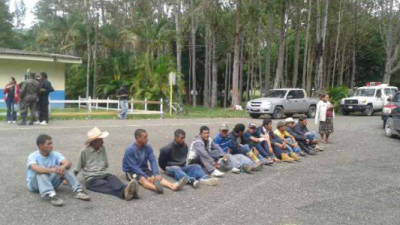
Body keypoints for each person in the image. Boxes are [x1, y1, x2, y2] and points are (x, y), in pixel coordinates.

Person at [75, 127, 139, 200]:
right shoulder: (84, 151)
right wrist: (69, 179)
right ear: (94, 141)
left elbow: (105, 164)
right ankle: (125, 193)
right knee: (106, 185)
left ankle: (127, 189)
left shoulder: (102, 148)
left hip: (103, 174)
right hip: (92, 179)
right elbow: (77, 167)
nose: (103, 142)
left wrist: (102, 171)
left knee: (114, 179)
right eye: (101, 140)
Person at [26, 134, 90, 206]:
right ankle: (51, 195)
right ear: (41, 146)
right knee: (41, 172)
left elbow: (68, 163)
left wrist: (62, 167)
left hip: (51, 183)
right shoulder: (33, 156)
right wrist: (53, 170)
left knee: (65, 169)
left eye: (51, 143)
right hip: (35, 185)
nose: (52, 145)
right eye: (49, 144)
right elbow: (35, 168)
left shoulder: (55, 154)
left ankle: (78, 191)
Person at [123, 129, 186, 194]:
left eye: (147, 137)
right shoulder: (130, 150)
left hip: (144, 169)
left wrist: (156, 174)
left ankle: (172, 186)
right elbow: (133, 167)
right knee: (142, 179)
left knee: (156, 177)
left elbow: (153, 160)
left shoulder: (148, 147)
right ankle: (156, 188)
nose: (147, 139)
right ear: (138, 138)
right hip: (131, 171)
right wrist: (146, 176)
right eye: (145, 137)